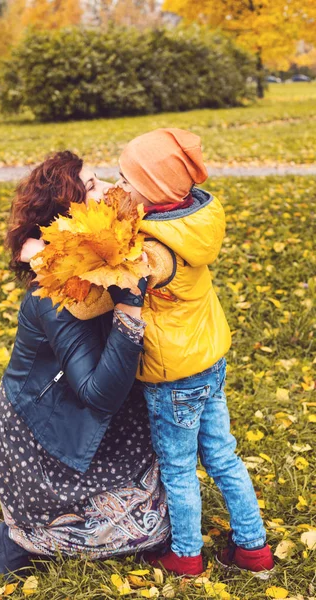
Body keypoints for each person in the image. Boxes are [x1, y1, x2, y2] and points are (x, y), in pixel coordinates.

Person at [0, 151, 170, 580]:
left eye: (101, 180)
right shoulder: (53, 293)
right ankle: (14, 543)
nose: (108, 192)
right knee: (145, 535)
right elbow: (97, 394)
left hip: (109, 424)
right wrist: (129, 308)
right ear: (67, 218)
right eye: (91, 187)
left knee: (158, 528)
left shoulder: (108, 255)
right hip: (45, 439)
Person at [113, 128, 274, 578]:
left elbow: (105, 286)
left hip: (174, 373)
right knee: (223, 456)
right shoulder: (190, 222)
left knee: (180, 468)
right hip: (208, 357)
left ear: (151, 190)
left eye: (126, 180)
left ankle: (186, 555)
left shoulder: (152, 251)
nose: (119, 187)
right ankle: (253, 548)